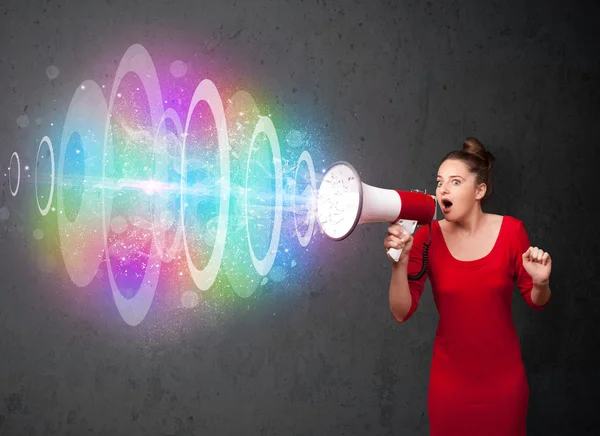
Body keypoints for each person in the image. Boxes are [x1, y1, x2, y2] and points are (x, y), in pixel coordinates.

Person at [384, 137, 552, 436]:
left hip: (504, 387)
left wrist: (540, 282)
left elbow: (537, 300)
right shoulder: (426, 237)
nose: (442, 190)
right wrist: (399, 262)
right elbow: (401, 312)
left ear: (480, 190)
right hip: (449, 389)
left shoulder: (512, 231)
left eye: (455, 181)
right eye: (439, 182)